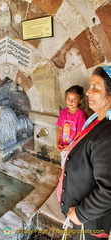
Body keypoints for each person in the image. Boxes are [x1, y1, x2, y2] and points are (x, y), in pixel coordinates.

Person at [57, 66, 111, 240]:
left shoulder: (108, 134)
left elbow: (108, 189)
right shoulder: (96, 119)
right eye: (90, 86)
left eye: (96, 87)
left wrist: (81, 214)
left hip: (90, 219)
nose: (88, 92)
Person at [56, 85, 88, 168]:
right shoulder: (63, 112)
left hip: (74, 148)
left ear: (80, 100)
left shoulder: (81, 115)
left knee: (70, 167)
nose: (70, 102)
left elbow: (80, 133)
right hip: (64, 146)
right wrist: (57, 142)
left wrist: (71, 146)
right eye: (68, 98)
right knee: (63, 165)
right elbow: (60, 128)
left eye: (74, 99)